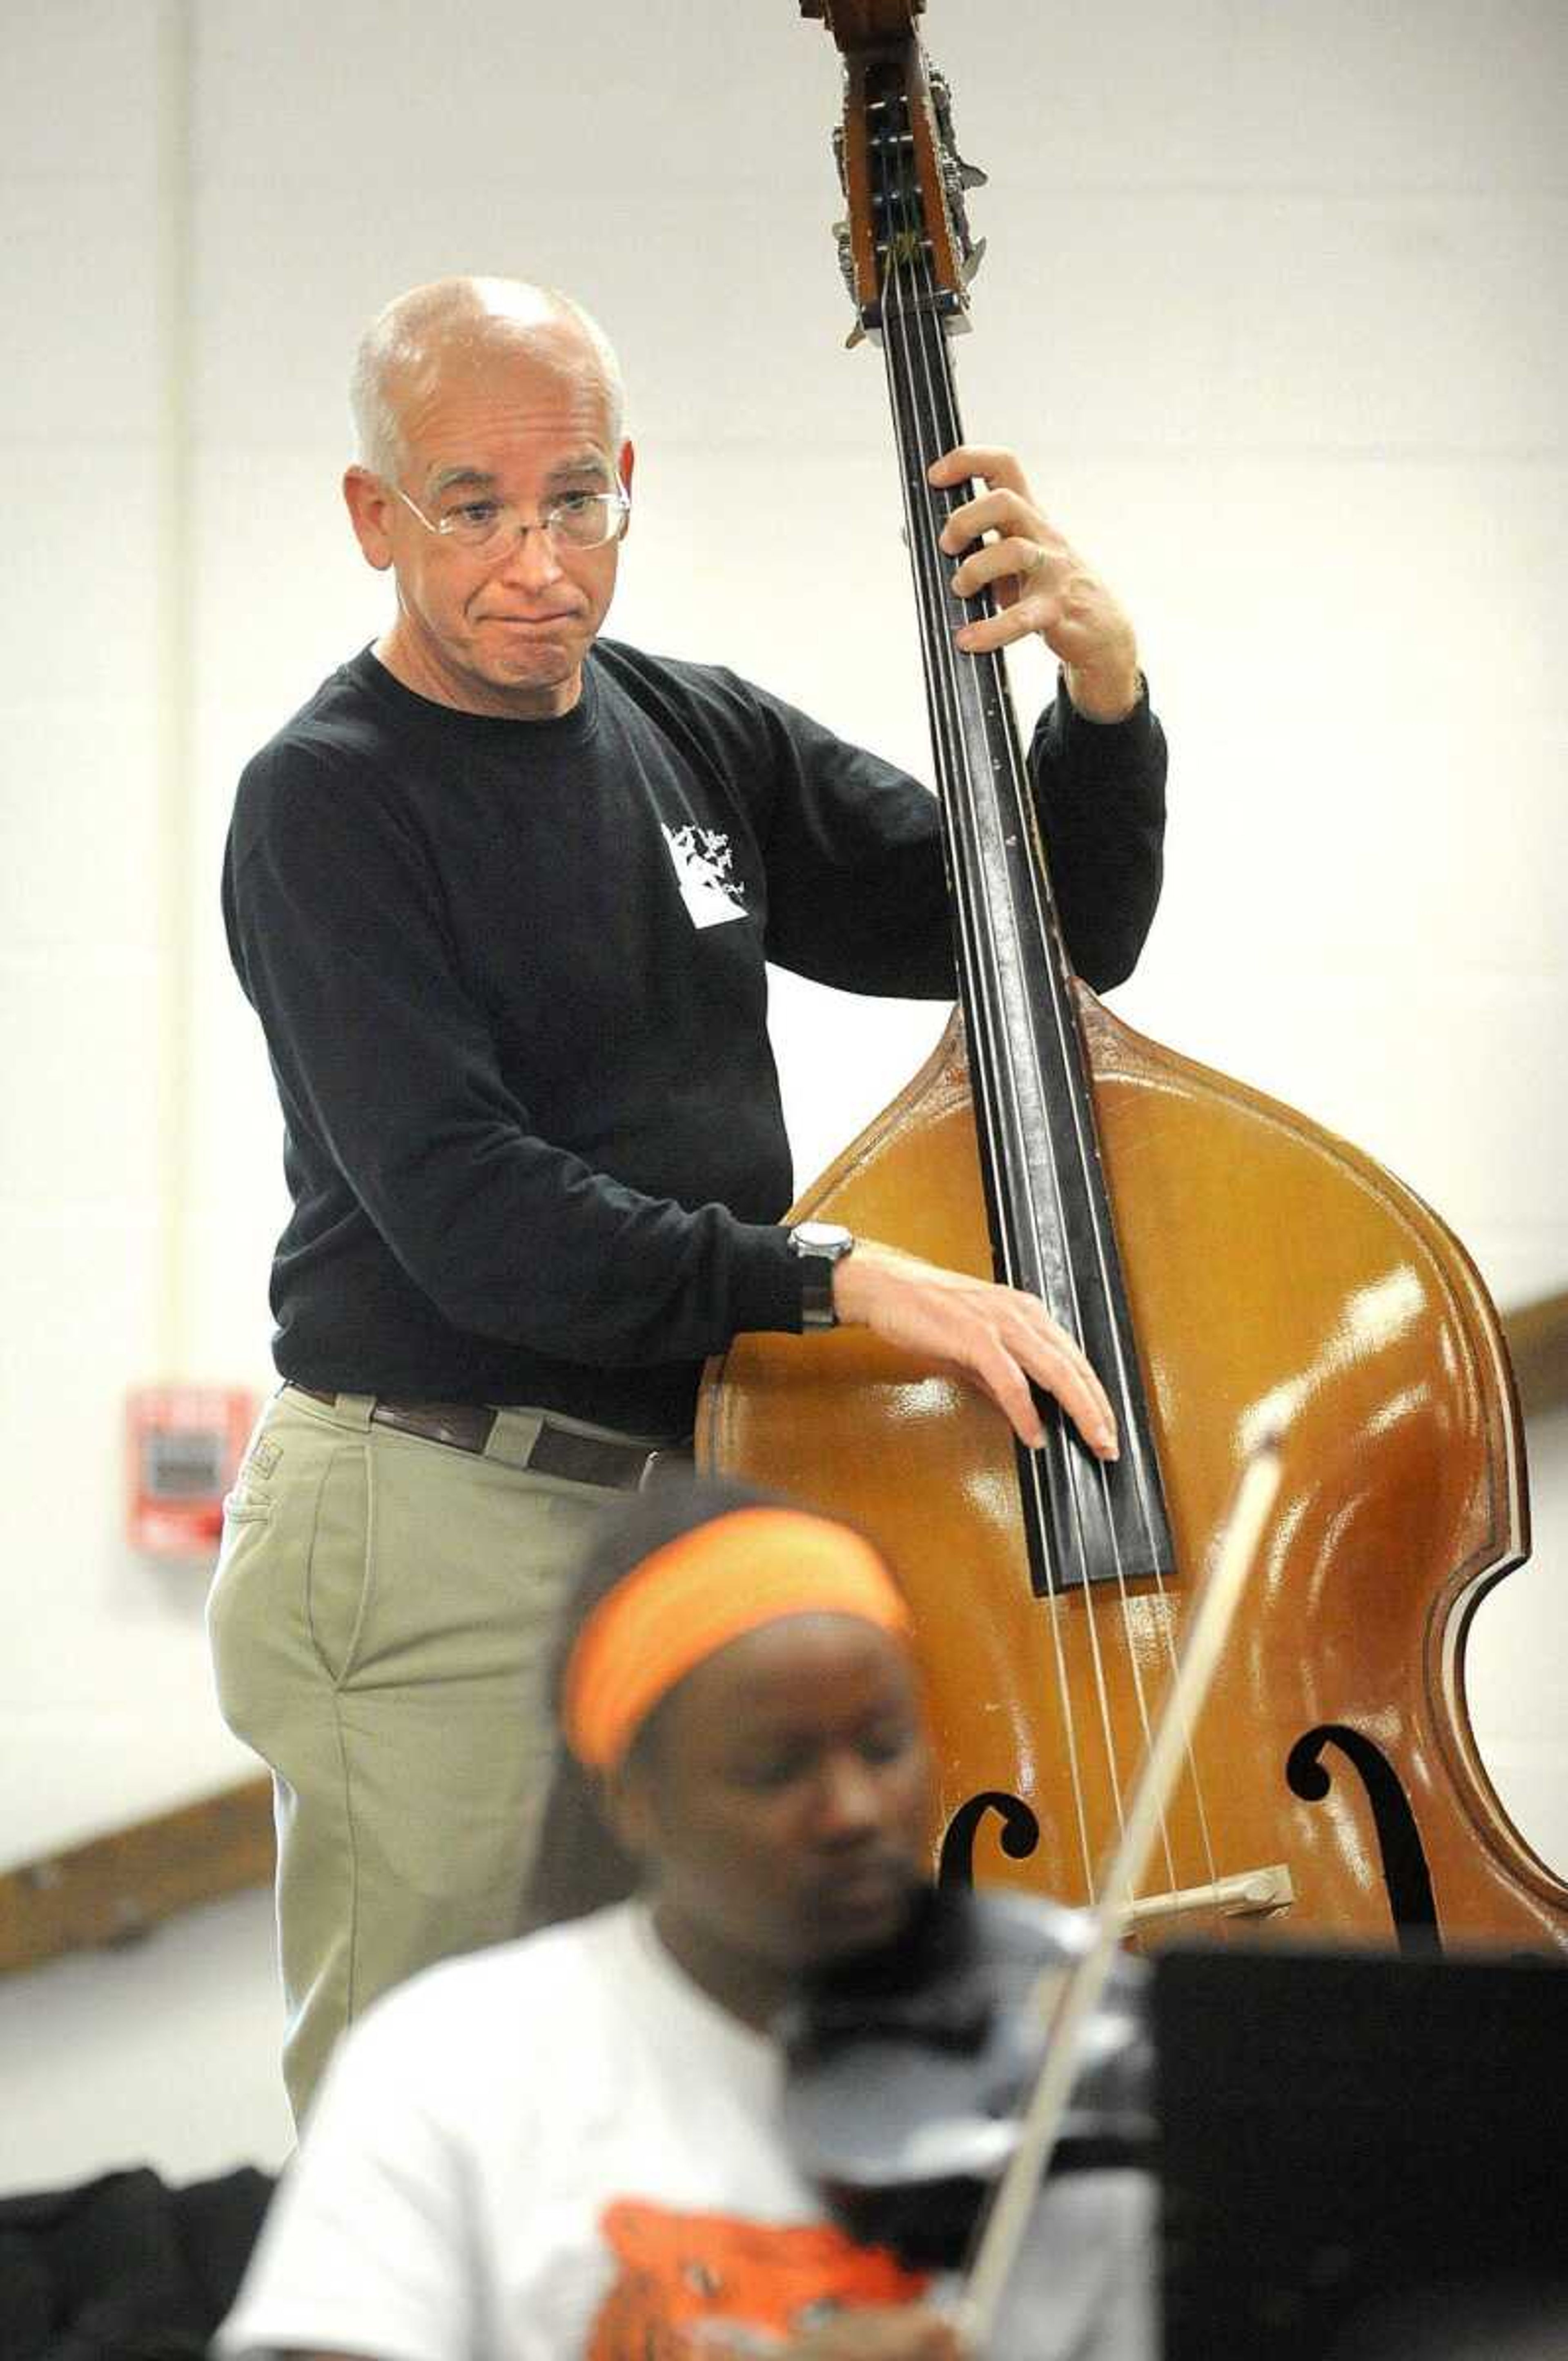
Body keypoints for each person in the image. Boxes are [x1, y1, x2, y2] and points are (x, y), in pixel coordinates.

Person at [208, 274, 1167, 2117]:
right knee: (442, 2135)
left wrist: (1102, 691)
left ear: (629, 482)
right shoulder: (325, 803)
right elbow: (479, 1215)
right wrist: (844, 1278)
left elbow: (1050, 931)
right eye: (470, 505)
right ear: (373, 516)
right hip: (433, 1513)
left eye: (575, 498)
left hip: (678, 1505)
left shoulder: (689, 733)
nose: (535, 559)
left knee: (676, 2125)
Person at [215, 1478, 1154, 2361]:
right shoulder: (450, 2065)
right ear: (633, 1797)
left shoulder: (1074, 2033)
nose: (856, 1808)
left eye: (885, 1745)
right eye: (775, 1769)